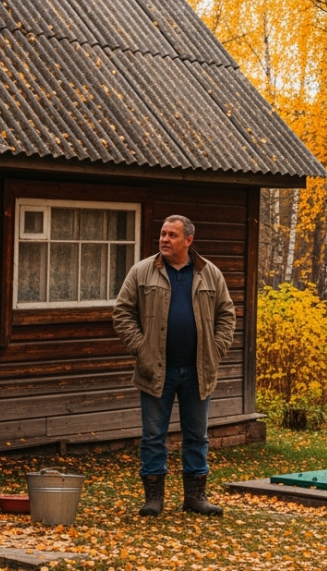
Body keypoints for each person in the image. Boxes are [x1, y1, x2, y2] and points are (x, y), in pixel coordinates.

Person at [113, 214, 236, 517]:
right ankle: (153, 498)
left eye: (172, 235)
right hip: (156, 370)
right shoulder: (142, 272)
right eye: (163, 234)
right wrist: (141, 349)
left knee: (197, 435)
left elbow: (227, 315)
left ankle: (195, 497)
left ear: (188, 241)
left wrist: (215, 350)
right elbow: (122, 313)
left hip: (198, 370)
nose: (164, 240)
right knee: (153, 435)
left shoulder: (210, 274)